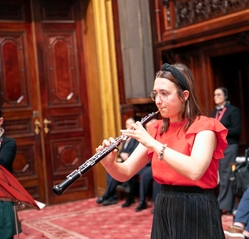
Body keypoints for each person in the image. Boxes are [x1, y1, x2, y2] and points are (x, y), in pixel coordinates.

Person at [97, 62, 228, 239]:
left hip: (197, 205)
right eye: (155, 94)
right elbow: (125, 173)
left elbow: (195, 170)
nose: (158, 100)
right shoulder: (155, 130)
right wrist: (110, 164)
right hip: (165, 202)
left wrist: (153, 144)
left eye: (164, 94)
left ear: (184, 95)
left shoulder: (205, 128)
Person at [96, 118, 139, 207]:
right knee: (110, 171)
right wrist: (119, 158)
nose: (129, 127)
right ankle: (111, 196)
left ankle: (106, 195)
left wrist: (125, 157)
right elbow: (121, 152)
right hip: (124, 162)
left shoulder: (137, 138)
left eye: (131, 124)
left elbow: (136, 154)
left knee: (116, 173)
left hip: (134, 164)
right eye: (127, 125)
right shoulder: (125, 139)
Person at [0, 105, 22, 238]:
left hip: (1, 196)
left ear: (0, 121)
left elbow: (3, 163)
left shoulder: (8, 143)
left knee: (2, 234)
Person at [211, 87, 241, 214]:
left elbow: (237, 130)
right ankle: (229, 205)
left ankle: (223, 205)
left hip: (230, 146)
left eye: (218, 94)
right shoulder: (214, 112)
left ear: (225, 96)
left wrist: (221, 130)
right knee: (222, 176)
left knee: (228, 176)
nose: (216, 97)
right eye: (214, 94)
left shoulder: (233, 111)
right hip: (219, 147)